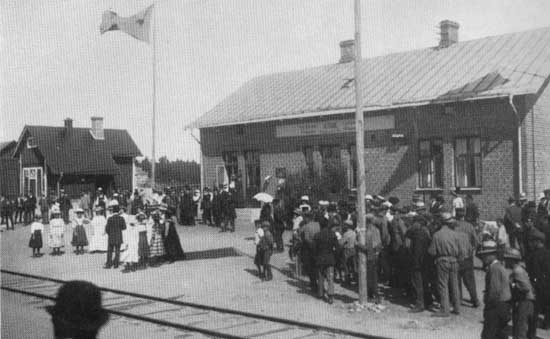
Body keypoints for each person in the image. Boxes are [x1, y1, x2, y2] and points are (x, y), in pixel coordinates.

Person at [427, 212, 462, 317]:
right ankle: (457, 308)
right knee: (454, 284)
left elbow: (432, 251)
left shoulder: (437, 235)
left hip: (442, 260)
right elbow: (461, 251)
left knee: (443, 285)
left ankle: (445, 309)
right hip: (454, 260)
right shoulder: (456, 234)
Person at [478, 240, 511, 339]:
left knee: (488, 335)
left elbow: (494, 291)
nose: (483, 259)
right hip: (504, 305)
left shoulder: (494, 269)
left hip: (496, 306)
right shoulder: (499, 267)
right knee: (499, 334)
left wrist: (488, 307)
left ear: (492, 255)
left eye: (485, 256)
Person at [504, 247, 536, 339]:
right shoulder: (520, 269)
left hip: (524, 302)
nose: (505, 261)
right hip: (526, 302)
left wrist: (512, 284)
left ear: (512, 260)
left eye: (507, 259)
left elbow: (525, 287)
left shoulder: (517, 271)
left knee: (520, 331)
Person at [405, 213, 432, 312]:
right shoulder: (426, 233)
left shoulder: (412, 233)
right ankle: (428, 301)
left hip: (416, 262)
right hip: (425, 261)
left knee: (417, 284)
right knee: (424, 282)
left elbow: (407, 247)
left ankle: (420, 304)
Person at [454, 208, 480, 308]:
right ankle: (475, 300)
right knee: (470, 280)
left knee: (456, 280)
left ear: (456, 215)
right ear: (464, 215)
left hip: (456, 256)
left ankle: (458, 299)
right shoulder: (469, 226)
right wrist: (472, 249)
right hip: (467, 257)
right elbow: (476, 241)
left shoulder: (453, 226)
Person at [356, 213, 383, 303]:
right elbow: (379, 245)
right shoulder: (376, 230)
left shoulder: (369, 232)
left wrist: (358, 244)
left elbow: (368, 248)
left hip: (370, 257)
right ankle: (373, 295)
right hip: (375, 256)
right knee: (373, 277)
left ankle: (375, 296)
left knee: (371, 278)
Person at [314, 215, 338, 304]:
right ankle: (330, 295)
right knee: (330, 278)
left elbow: (314, 248)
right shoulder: (332, 234)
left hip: (320, 258)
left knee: (320, 277)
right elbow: (337, 247)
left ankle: (320, 293)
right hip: (330, 258)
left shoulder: (317, 235)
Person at [299, 211, 320, 292]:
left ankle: (313, 283)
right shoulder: (317, 224)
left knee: (310, 267)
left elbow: (306, 239)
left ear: (307, 218)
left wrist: (311, 244)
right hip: (318, 247)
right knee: (316, 266)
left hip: (309, 249)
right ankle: (318, 283)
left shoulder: (306, 226)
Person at [104, 201, 126, 269]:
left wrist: (110, 233)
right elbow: (124, 227)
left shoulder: (110, 219)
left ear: (112, 211)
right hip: (118, 236)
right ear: (118, 210)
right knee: (117, 250)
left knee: (110, 251)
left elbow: (107, 229)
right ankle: (116, 264)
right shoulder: (121, 218)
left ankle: (109, 264)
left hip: (111, 236)